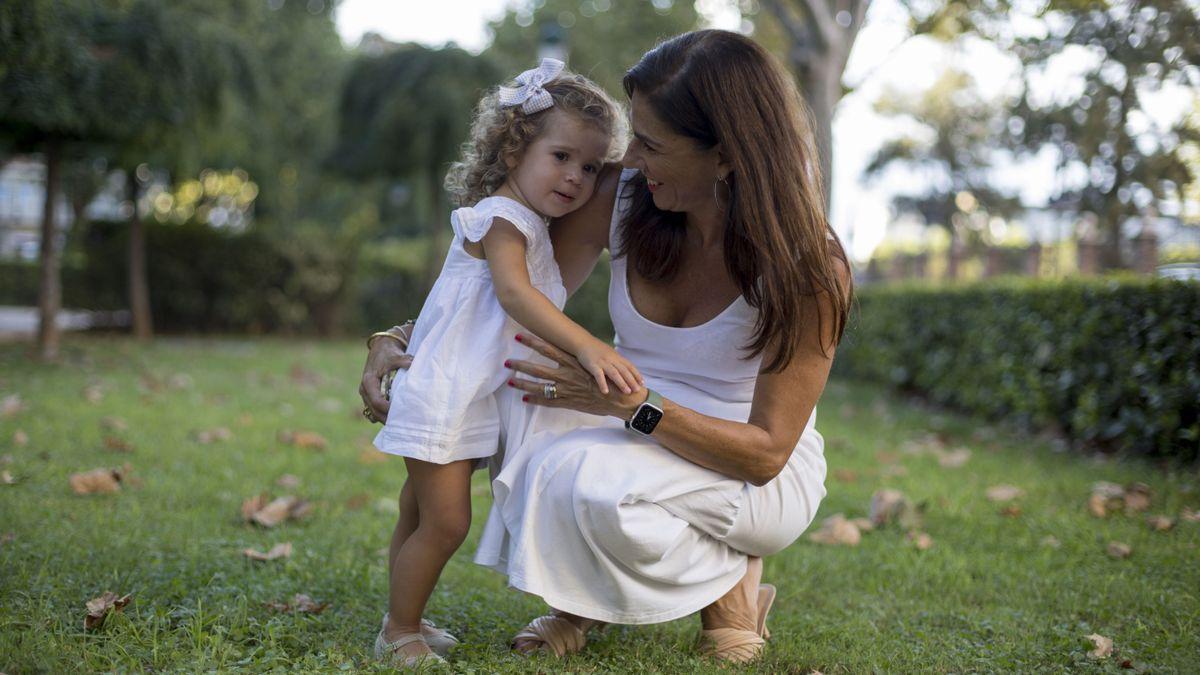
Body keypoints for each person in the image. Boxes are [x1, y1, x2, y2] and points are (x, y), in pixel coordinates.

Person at [360, 30, 852, 664]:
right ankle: (593, 601)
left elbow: (765, 455)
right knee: (539, 458)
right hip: (631, 425)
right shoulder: (627, 198)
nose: (631, 162)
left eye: (651, 144)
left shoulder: (809, 266)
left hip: (750, 467)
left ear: (727, 155)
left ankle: (724, 589)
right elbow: (498, 291)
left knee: (591, 487)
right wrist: (396, 341)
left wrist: (630, 406)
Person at [365, 58, 635, 666]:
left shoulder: (530, 223)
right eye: (560, 156)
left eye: (591, 167)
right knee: (446, 523)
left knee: (417, 515)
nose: (576, 177)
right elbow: (515, 295)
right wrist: (586, 344)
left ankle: (404, 618)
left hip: (464, 390)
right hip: (445, 392)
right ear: (514, 151)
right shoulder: (503, 218)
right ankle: (398, 632)